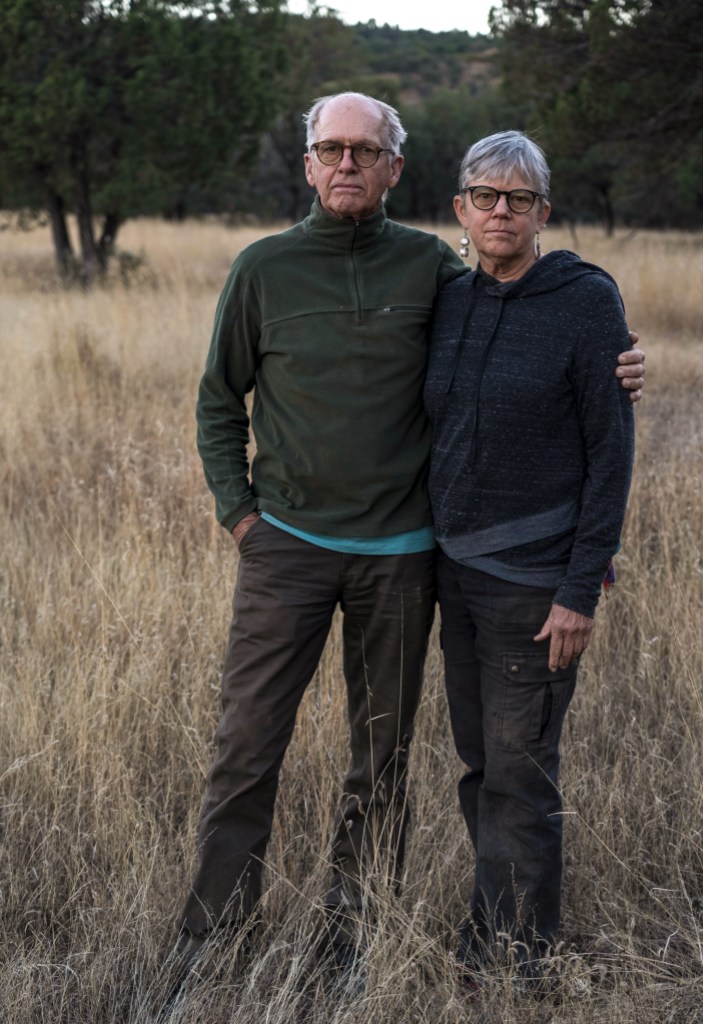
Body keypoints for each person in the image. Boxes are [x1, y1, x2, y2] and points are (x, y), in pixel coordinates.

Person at [173, 94, 645, 981]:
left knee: (381, 756)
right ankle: (210, 940)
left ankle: (353, 940)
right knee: (246, 745)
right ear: (308, 164)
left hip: (403, 558)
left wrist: (619, 359)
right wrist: (239, 512)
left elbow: (550, 316)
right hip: (288, 548)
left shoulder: (432, 270)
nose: (346, 163)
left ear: (397, 168)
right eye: (330, 149)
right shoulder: (267, 269)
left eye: (366, 150)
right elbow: (214, 398)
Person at [424, 131, 635, 983]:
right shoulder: (449, 296)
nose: (500, 212)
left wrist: (580, 588)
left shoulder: (583, 303)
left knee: (520, 773)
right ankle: (496, 927)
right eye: (485, 196)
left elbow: (610, 450)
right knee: (482, 765)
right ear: (459, 211)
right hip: (452, 574)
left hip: (533, 584)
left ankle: (517, 960)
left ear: (543, 211)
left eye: (518, 199)